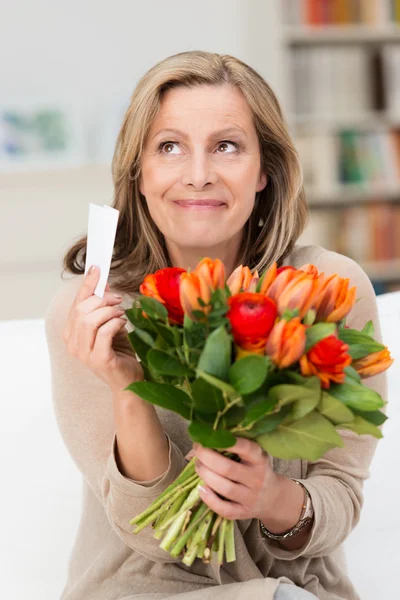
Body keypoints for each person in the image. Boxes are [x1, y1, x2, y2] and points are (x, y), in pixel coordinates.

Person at [44, 50, 387, 600]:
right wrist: (128, 386)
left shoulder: (327, 289)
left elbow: (340, 496)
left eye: (226, 146)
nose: (198, 175)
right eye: (169, 147)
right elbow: (159, 536)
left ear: (264, 171)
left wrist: (271, 497)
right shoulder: (91, 314)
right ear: (139, 173)